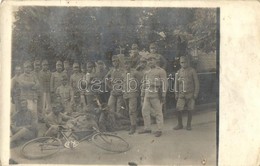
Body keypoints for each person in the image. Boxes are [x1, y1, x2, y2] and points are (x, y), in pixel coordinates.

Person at [138, 54, 168, 137]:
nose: (150, 62)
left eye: (151, 60)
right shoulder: (147, 72)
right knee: (144, 111)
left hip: (156, 94)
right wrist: (142, 95)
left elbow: (165, 83)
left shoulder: (161, 71)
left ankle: (159, 130)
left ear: (155, 61)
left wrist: (163, 95)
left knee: (158, 112)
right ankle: (147, 128)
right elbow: (144, 84)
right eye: (148, 60)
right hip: (147, 94)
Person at [174, 56, 199, 131]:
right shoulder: (178, 72)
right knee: (178, 109)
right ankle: (180, 124)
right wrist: (176, 93)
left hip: (190, 94)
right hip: (181, 94)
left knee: (190, 109)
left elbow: (196, 83)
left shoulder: (192, 71)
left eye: (185, 62)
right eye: (181, 62)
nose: (183, 64)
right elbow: (176, 84)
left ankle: (188, 124)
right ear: (180, 63)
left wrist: (195, 93)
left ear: (188, 62)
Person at [123, 57, 140, 134]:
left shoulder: (135, 72)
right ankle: (132, 124)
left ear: (130, 64)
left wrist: (138, 92)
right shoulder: (124, 73)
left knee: (132, 110)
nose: (126, 65)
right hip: (126, 94)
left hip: (133, 93)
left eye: (128, 64)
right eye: (125, 64)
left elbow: (140, 82)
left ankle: (133, 126)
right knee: (128, 110)